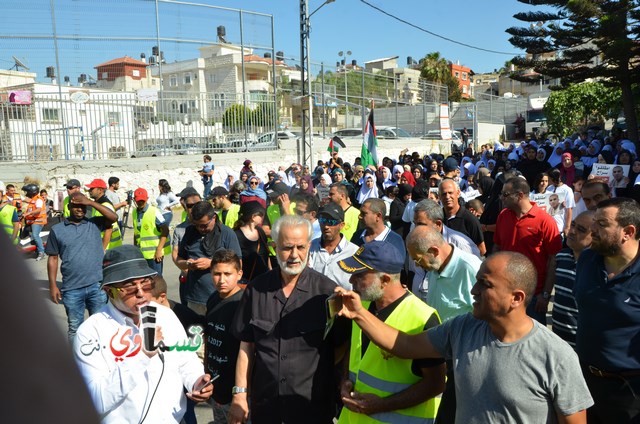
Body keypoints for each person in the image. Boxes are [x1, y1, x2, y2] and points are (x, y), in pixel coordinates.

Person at [336, 251, 593, 423]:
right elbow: (405, 344)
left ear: (516, 298)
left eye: (485, 284)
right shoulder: (463, 328)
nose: (473, 290)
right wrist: (359, 313)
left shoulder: (556, 356)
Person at [73, 245, 213, 423]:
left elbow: (186, 360)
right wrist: (142, 356)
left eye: (146, 284)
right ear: (109, 291)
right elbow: (95, 401)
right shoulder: (90, 333)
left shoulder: (165, 315)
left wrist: (196, 380)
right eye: (130, 288)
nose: (141, 294)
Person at [229, 215, 348, 424]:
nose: (294, 255)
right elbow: (246, 347)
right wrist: (239, 395)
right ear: (274, 247)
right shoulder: (256, 289)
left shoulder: (327, 293)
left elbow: (341, 347)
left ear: (309, 246)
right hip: (266, 408)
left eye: (301, 247)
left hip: (311, 409)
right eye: (287, 248)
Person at [336, 241, 445, 423]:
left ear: (385, 280)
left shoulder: (422, 319)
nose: (351, 280)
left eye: (359, 275)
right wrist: (344, 381)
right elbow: (355, 350)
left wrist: (382, 405)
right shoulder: (360, 306)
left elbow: (436, 384)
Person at [405, 225, 482, 424]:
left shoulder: (469, 268)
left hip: (465, 362)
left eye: (418, 259)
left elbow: (486, 319)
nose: (417, 264)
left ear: (434, 251)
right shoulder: (434, 265)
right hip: (441, 355)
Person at [574, 198, 640, 423]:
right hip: (583, 382)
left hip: (629, 393)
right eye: (594, 222)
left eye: (602, 224)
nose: (592, 230)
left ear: (628, 232)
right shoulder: (587, 258)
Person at [46, 192, 116, 340]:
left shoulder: (95, 223)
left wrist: (90, 202)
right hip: (71, 288)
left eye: (83, 207)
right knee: (75, 329)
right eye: (77, 206)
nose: (80, 210)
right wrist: (53, 285)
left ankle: (101, 360)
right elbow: (53, 258)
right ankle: (75, 362)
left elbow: (113, 217)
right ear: (69, 207)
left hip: (97, 285)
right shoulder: (57, 230)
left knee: (100, 326)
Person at [494, 177, 563, 324]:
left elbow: (553, 260)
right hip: (505, 291)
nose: (501, 198)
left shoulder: (545, 221)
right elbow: (497, 248)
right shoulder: (502, 216)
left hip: (533, 297)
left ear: (519, 195)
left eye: (505, 194)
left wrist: (545, 295)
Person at [176, 201, 242, 315]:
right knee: (197, 331)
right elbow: (178, 259)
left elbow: (238, 264)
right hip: (195, 298)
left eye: (204, 225)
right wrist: (187, 264)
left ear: (214, 218)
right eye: (197, 225)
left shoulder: (227, 233)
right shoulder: (190, 232)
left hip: (221, 297)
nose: (200, 228)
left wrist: (211, 263)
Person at [205, 250, 245, 424]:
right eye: (217, 274)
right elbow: (209, 337)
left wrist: (241, 393)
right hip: (216, 386)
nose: (222, 280)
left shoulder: (244, 303)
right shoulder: (213, 299)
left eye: (227, 274)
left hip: (236, 393)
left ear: (239, 274)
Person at [551, 210, 594, 349]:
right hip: (558, 340)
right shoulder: (561, 256)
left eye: (581, 230)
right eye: (573, 225)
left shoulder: (598, 266)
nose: (573, 231)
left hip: (582, 345)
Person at [308, 203, 359, 289]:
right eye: (322, 221)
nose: (326, 226)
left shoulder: (354, 252)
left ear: (341, 225)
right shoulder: (310, 247)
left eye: (331, 222)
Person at [439, 179, 486, 256]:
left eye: (450, 193)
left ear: (458, 193)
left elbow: (481, 250)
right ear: (439, 196)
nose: (447, 197)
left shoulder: (470, 220)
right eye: (444, 194)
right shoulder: (438, 218)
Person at [172, 187, 201, 304]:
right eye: (189, 205)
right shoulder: (179, 229)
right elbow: (175, 254)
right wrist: (185, 268)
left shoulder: (212, 226)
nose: (193, 208)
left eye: (196, 204)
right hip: (187, 277)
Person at [132, 187, 170, 275]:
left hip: (154, 255)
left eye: (143, 200)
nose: (141, 202)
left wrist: (159, 250)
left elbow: (165, 230)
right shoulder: (134, 212)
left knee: (156, 281)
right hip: (142, 254)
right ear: (134, 200)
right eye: (138, 201)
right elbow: (137, 233)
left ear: (147, 199)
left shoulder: (154, 211)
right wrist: (136, 250)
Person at [233, 201, 270, 282]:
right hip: (247, 282)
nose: (262, 218)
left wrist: (270, 271)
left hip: (265, 279)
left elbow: (266, 255)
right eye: (261, 215)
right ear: (253, 216)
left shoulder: (260, 231)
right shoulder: (236, 236)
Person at [85, 178, 123, 250]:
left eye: (92, 189)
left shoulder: (105, 206)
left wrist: (102, 250)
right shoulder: (98, 204)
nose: (89, 191)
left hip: (110, 248)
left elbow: (109, 230)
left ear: (100, 190)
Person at [22, 183, 47, 260]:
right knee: (24, 235)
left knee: (35, 235)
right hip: (32, 221)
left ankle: (41, 252)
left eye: (28, 191)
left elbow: (38, 210)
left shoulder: (38, 199)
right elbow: (26, 200)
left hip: (38, 221)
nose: (27, 193)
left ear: (32, 192)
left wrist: (28, 213)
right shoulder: (34, 199)